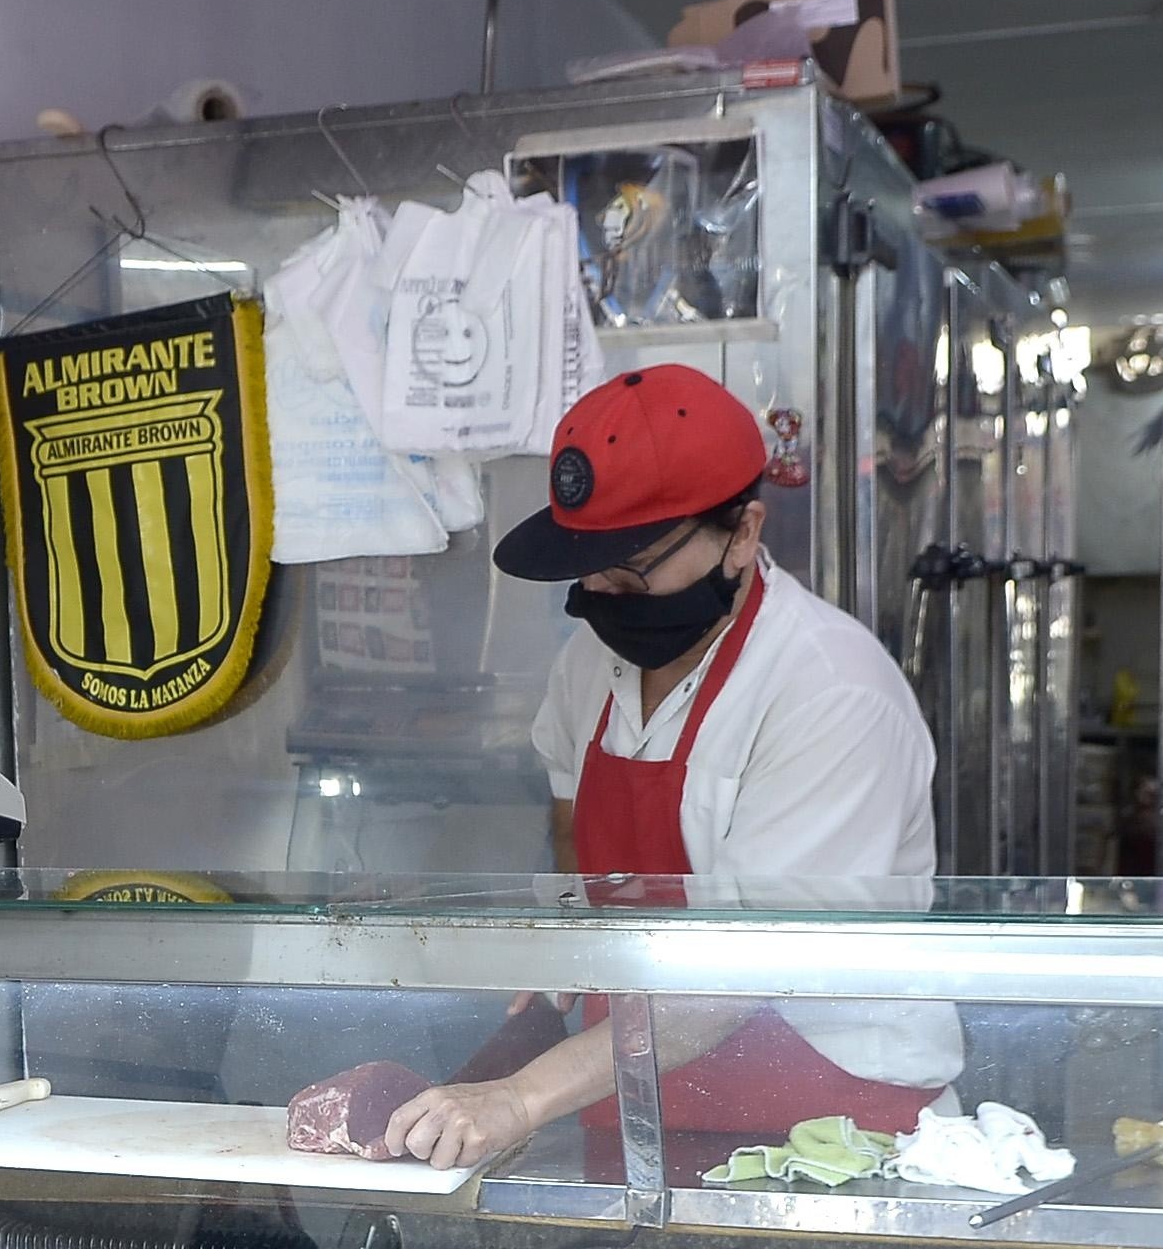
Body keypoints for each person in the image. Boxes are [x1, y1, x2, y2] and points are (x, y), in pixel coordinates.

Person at [383, 365, 961, 1171]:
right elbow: (575, 850)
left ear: (743, 533)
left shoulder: (830, 691)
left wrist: (520, 1096)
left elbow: (740, 971)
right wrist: (551, 992)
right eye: (587, 567)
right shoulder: (589, 667)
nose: (600, 594)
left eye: (631, 567)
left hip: (833, 1125)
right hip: (639, 1091)